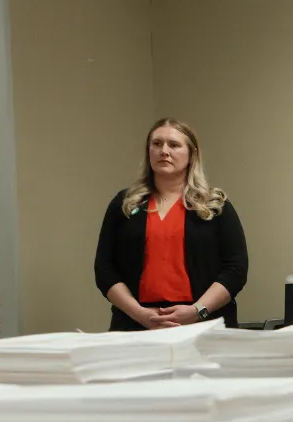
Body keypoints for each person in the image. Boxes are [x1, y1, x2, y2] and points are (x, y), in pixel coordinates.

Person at [94, 118, 248, 331]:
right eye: (156, 144)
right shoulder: (125, 204)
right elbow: (104, 269)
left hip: (204, 325)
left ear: (192, 154)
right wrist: (139, 314)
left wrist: (198, 311)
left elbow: (236, 269)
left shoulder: (214, 205)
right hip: (135, 326)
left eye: (174, 145)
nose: (163, 151)